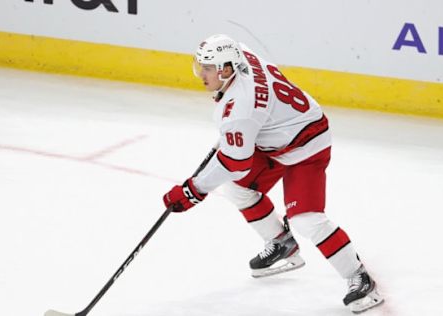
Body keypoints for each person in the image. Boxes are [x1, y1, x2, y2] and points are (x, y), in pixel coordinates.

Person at [162, 34, 384, 313]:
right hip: (276, 135)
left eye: (207, 69)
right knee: (236, 188)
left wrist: (192, 191)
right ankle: (281, 242)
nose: (201, 74)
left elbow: (235, 163)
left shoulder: (240, 109)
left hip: (307, 145)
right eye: (201, 66)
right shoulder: (240, 52)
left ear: (227, 70)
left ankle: (359, 277)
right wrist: (238, 134)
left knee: (306, 220)